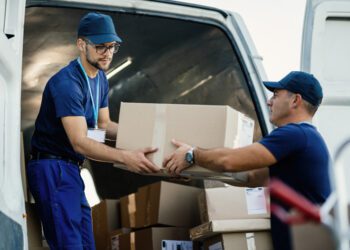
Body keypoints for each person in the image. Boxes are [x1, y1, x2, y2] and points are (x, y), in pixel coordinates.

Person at [27, 12, 159, 250]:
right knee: (70, 245)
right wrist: (126, 157)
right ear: (81, 44)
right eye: (100, 46)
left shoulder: (100, 78)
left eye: (112, 46)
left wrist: (146, 136)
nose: (107, 53)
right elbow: (79, 141)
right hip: (53, 169)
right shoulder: (67, 84)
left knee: (87, 244)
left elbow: (104, 125)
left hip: (72, 169)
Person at [163, 71, 332, 250]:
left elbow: (228, 161)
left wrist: (192, 154)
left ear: (295, 100)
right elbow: (250, 177)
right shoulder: (306, 138)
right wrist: (194, 168)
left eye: (275, 95)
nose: (269, 101)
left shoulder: (295, 134)